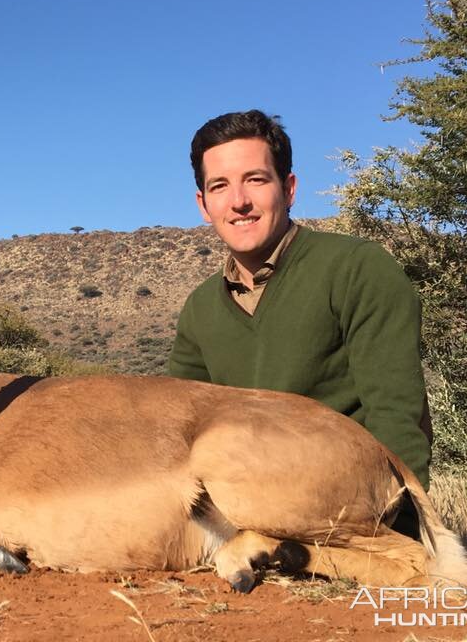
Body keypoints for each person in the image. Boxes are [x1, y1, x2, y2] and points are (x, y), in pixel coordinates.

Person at [168, 110, 432, 535]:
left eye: (256, 179)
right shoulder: (199, 309)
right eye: (220, 186)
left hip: (350, 516)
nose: (239, 201)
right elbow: (177, 434)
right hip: (246, 524)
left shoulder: (358, 267)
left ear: (288, 189)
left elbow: (396, 414)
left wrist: (395, 532)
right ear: (203, 205)